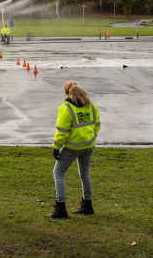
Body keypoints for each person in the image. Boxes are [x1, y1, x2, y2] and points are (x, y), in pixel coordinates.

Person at [51, 80, 101, 218]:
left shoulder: (66, 108)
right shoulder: (91, 105)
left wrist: (56, 147)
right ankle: (87, 205)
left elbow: (62, 131)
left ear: (66, 93)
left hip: (73, 147)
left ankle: (60, 207)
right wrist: (91, 137)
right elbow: (97, 124)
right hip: (88, 145)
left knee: (58, 173)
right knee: (84, 174)